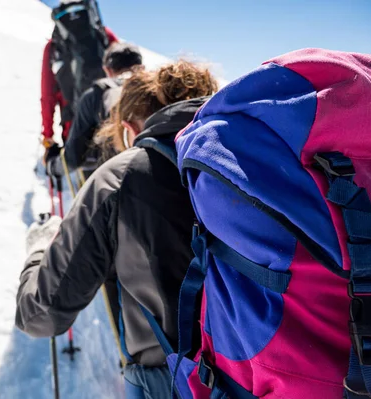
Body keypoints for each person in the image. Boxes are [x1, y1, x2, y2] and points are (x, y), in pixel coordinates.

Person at [16, 61, 219, 398]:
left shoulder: (121, 176)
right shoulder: (247, 160)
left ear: (128, 128)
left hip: (176, 384)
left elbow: (41, 314)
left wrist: (38, 249)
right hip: (276, 377)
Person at [45, 42, 144, 179]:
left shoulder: (95, 95)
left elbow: (73, 158)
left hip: (121, 183)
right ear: (142, 67)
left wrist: (52, 166)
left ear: (107, 70)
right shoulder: (159, 90)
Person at [40, 1, 118, 156]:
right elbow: (124, 78)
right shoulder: (104, 36)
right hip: (110, 130)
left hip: (74, 133)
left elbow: (48, 96)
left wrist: (48, 136)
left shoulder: (54, 46)